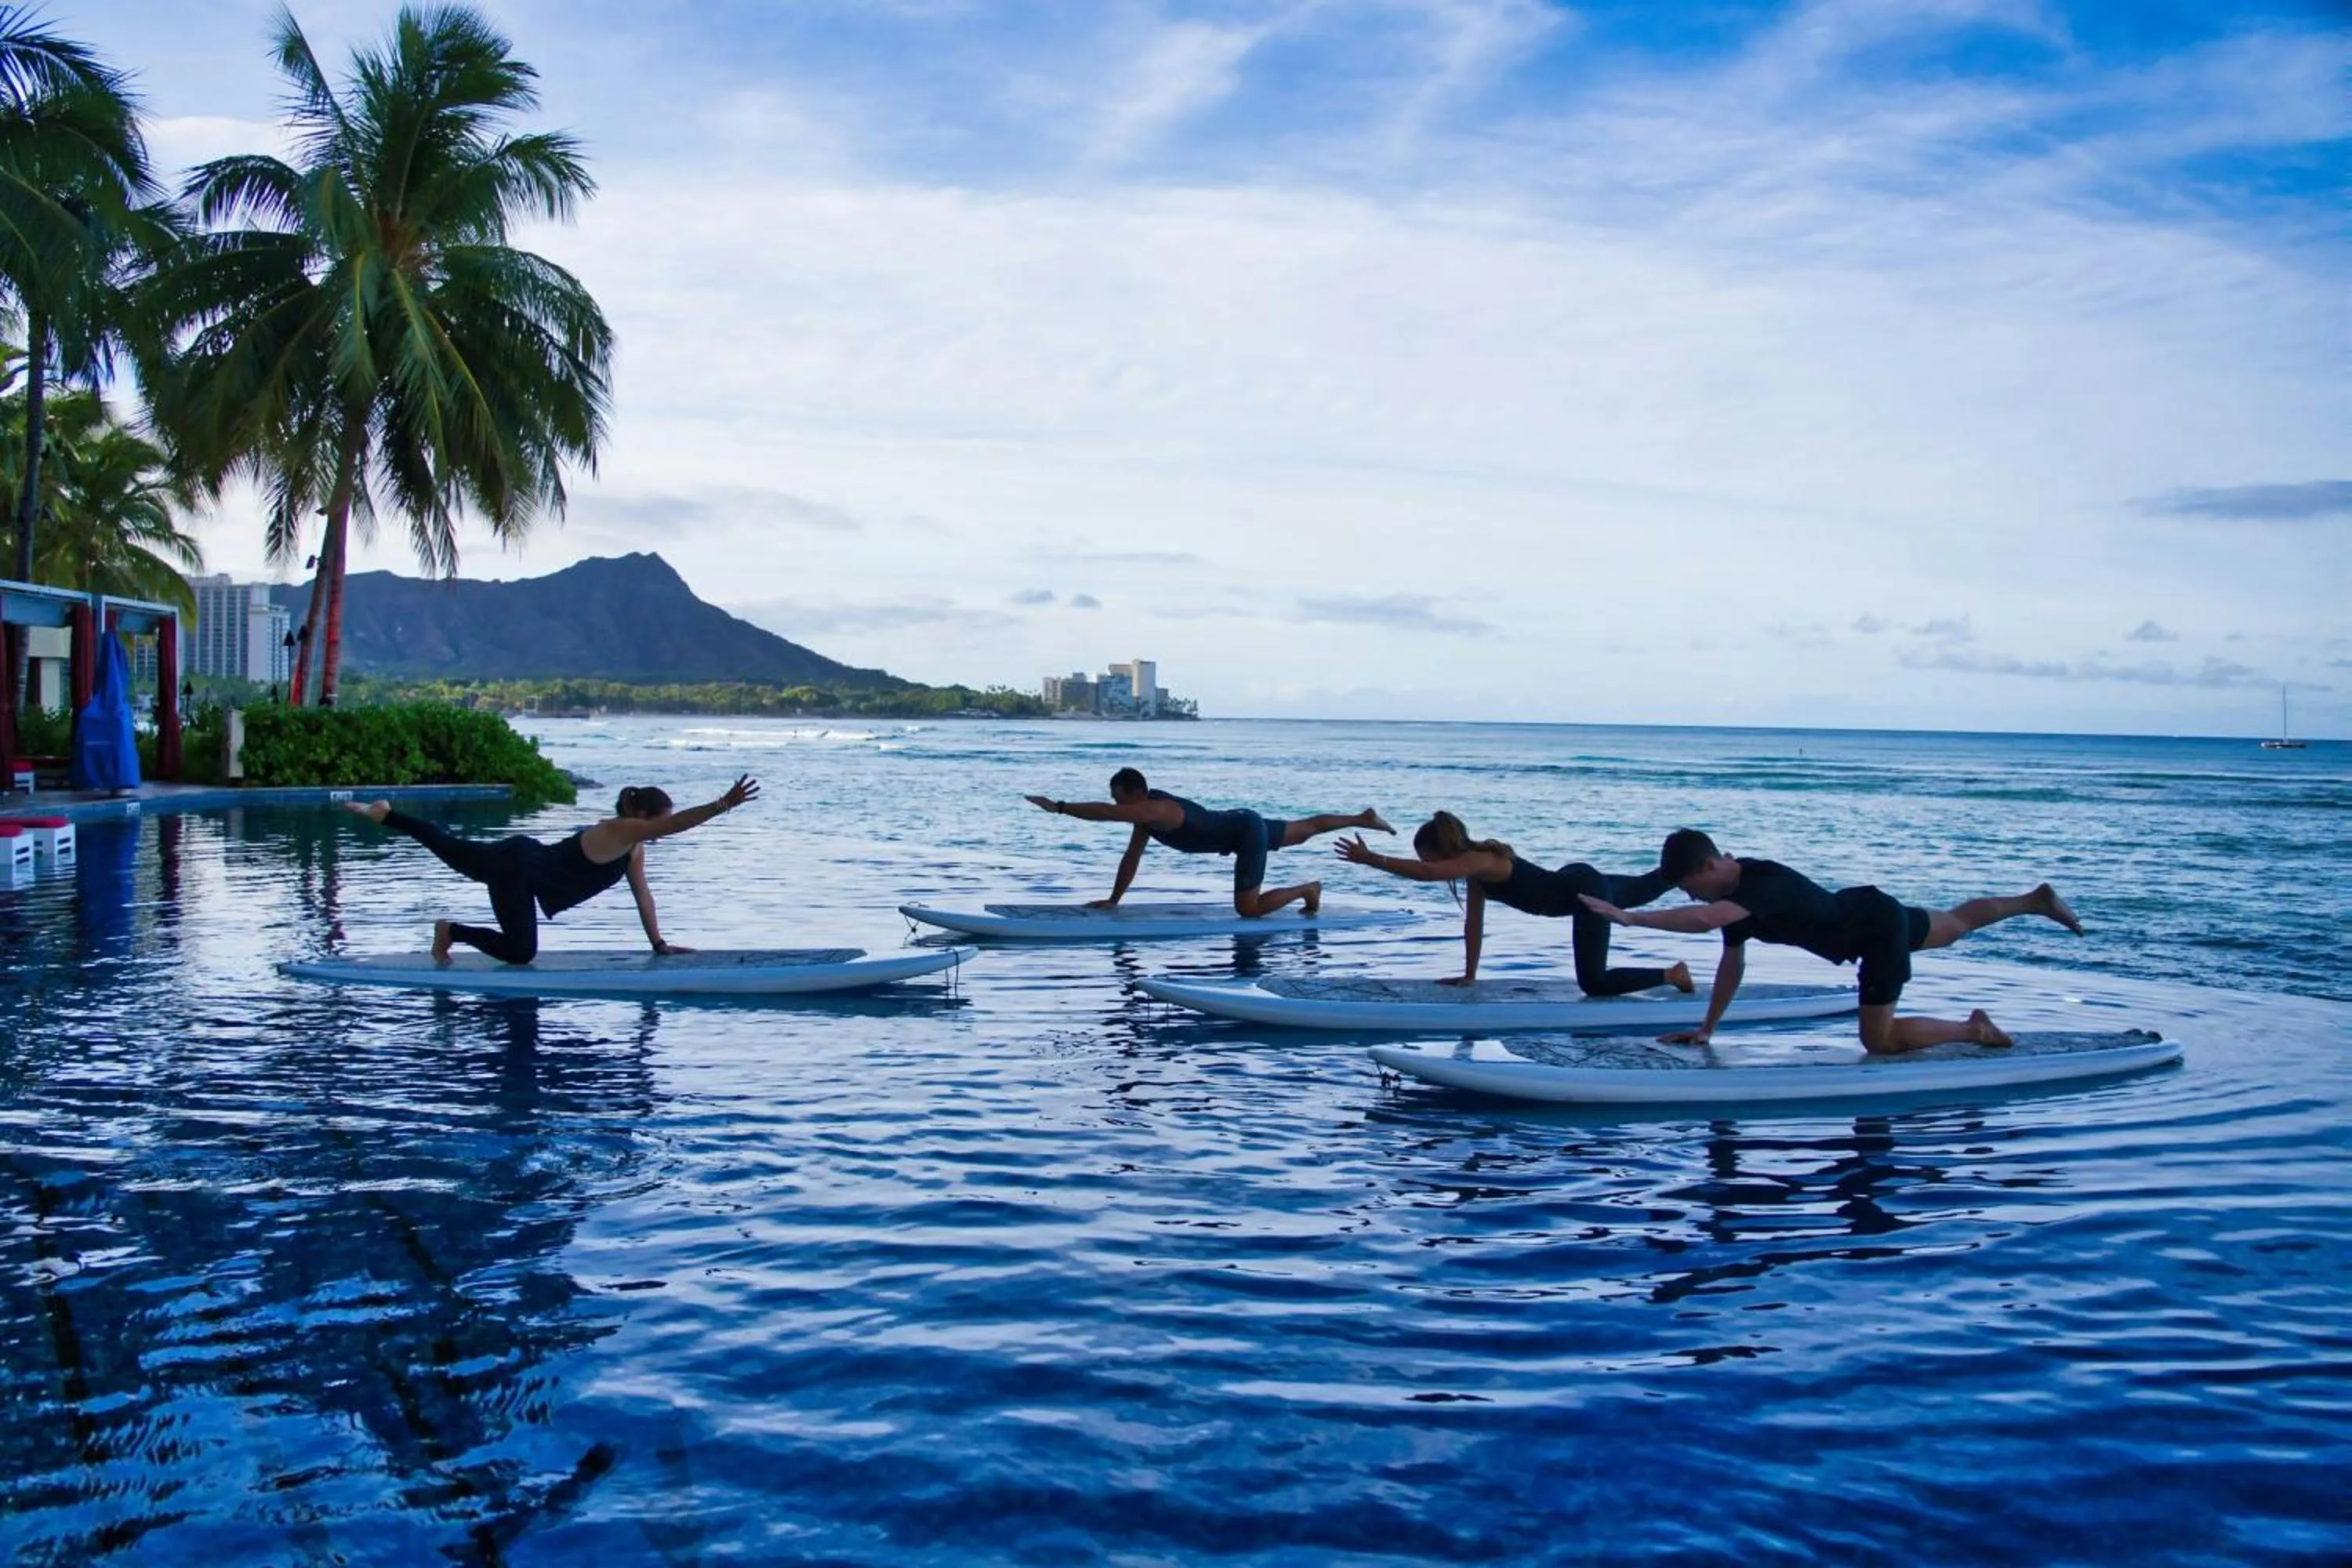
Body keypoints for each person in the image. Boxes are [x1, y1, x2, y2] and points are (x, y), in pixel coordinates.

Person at [1578, 828, 2083, 1054]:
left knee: (1878, 1042)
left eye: (1690, 885)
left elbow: (1707, 921)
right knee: (1954, 925)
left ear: (1710, 867)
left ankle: (1973, 1030)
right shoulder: (1734, 892)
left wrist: (1631, 919)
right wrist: (1707, 1028)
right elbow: (1732, 961)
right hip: (1869, 908)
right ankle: (2034, 900)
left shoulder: (1760, 884)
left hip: (1874, 931)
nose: (1690, 894)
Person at [343, 775, 760, 964]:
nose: (657, 830)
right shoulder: (618, 830)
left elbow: (643, 895)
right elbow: (673, 826)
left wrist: (659, 943)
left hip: (526, 866)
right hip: (517, 869)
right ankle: (450, 931)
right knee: (521, 952)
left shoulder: (633, 848)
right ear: (640, 814)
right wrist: (722, 805)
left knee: (452, 848)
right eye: (656, 821)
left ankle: (388, 815)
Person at [1334, 810, 1691, 993]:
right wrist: (1470, 974)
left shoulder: (1482, 860)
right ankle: (1697, 867)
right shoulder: (1478, 874)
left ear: (1445, 852)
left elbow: (1427, 874)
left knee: (1593, 984)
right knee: (1648, 886)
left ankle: (1671, 975)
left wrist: (1372, 859)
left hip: (1584, 894)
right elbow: (1474, 923)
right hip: (1578, 881)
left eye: (1429, 857)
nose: (1428, 865)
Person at [1025, 766, 1390, 917]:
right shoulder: (1146, 818)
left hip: (1245, 831)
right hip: (1241, 822)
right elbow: (1131, 857)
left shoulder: (1158, 810)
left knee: (1248, 910)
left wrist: (1059, 807)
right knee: (1305, 829)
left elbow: (1105, 813)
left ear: (1137, 793)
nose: (1119, 806)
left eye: (1121, 798)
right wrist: (1114, 900)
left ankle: (1308, 889)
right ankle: (1362, 817)